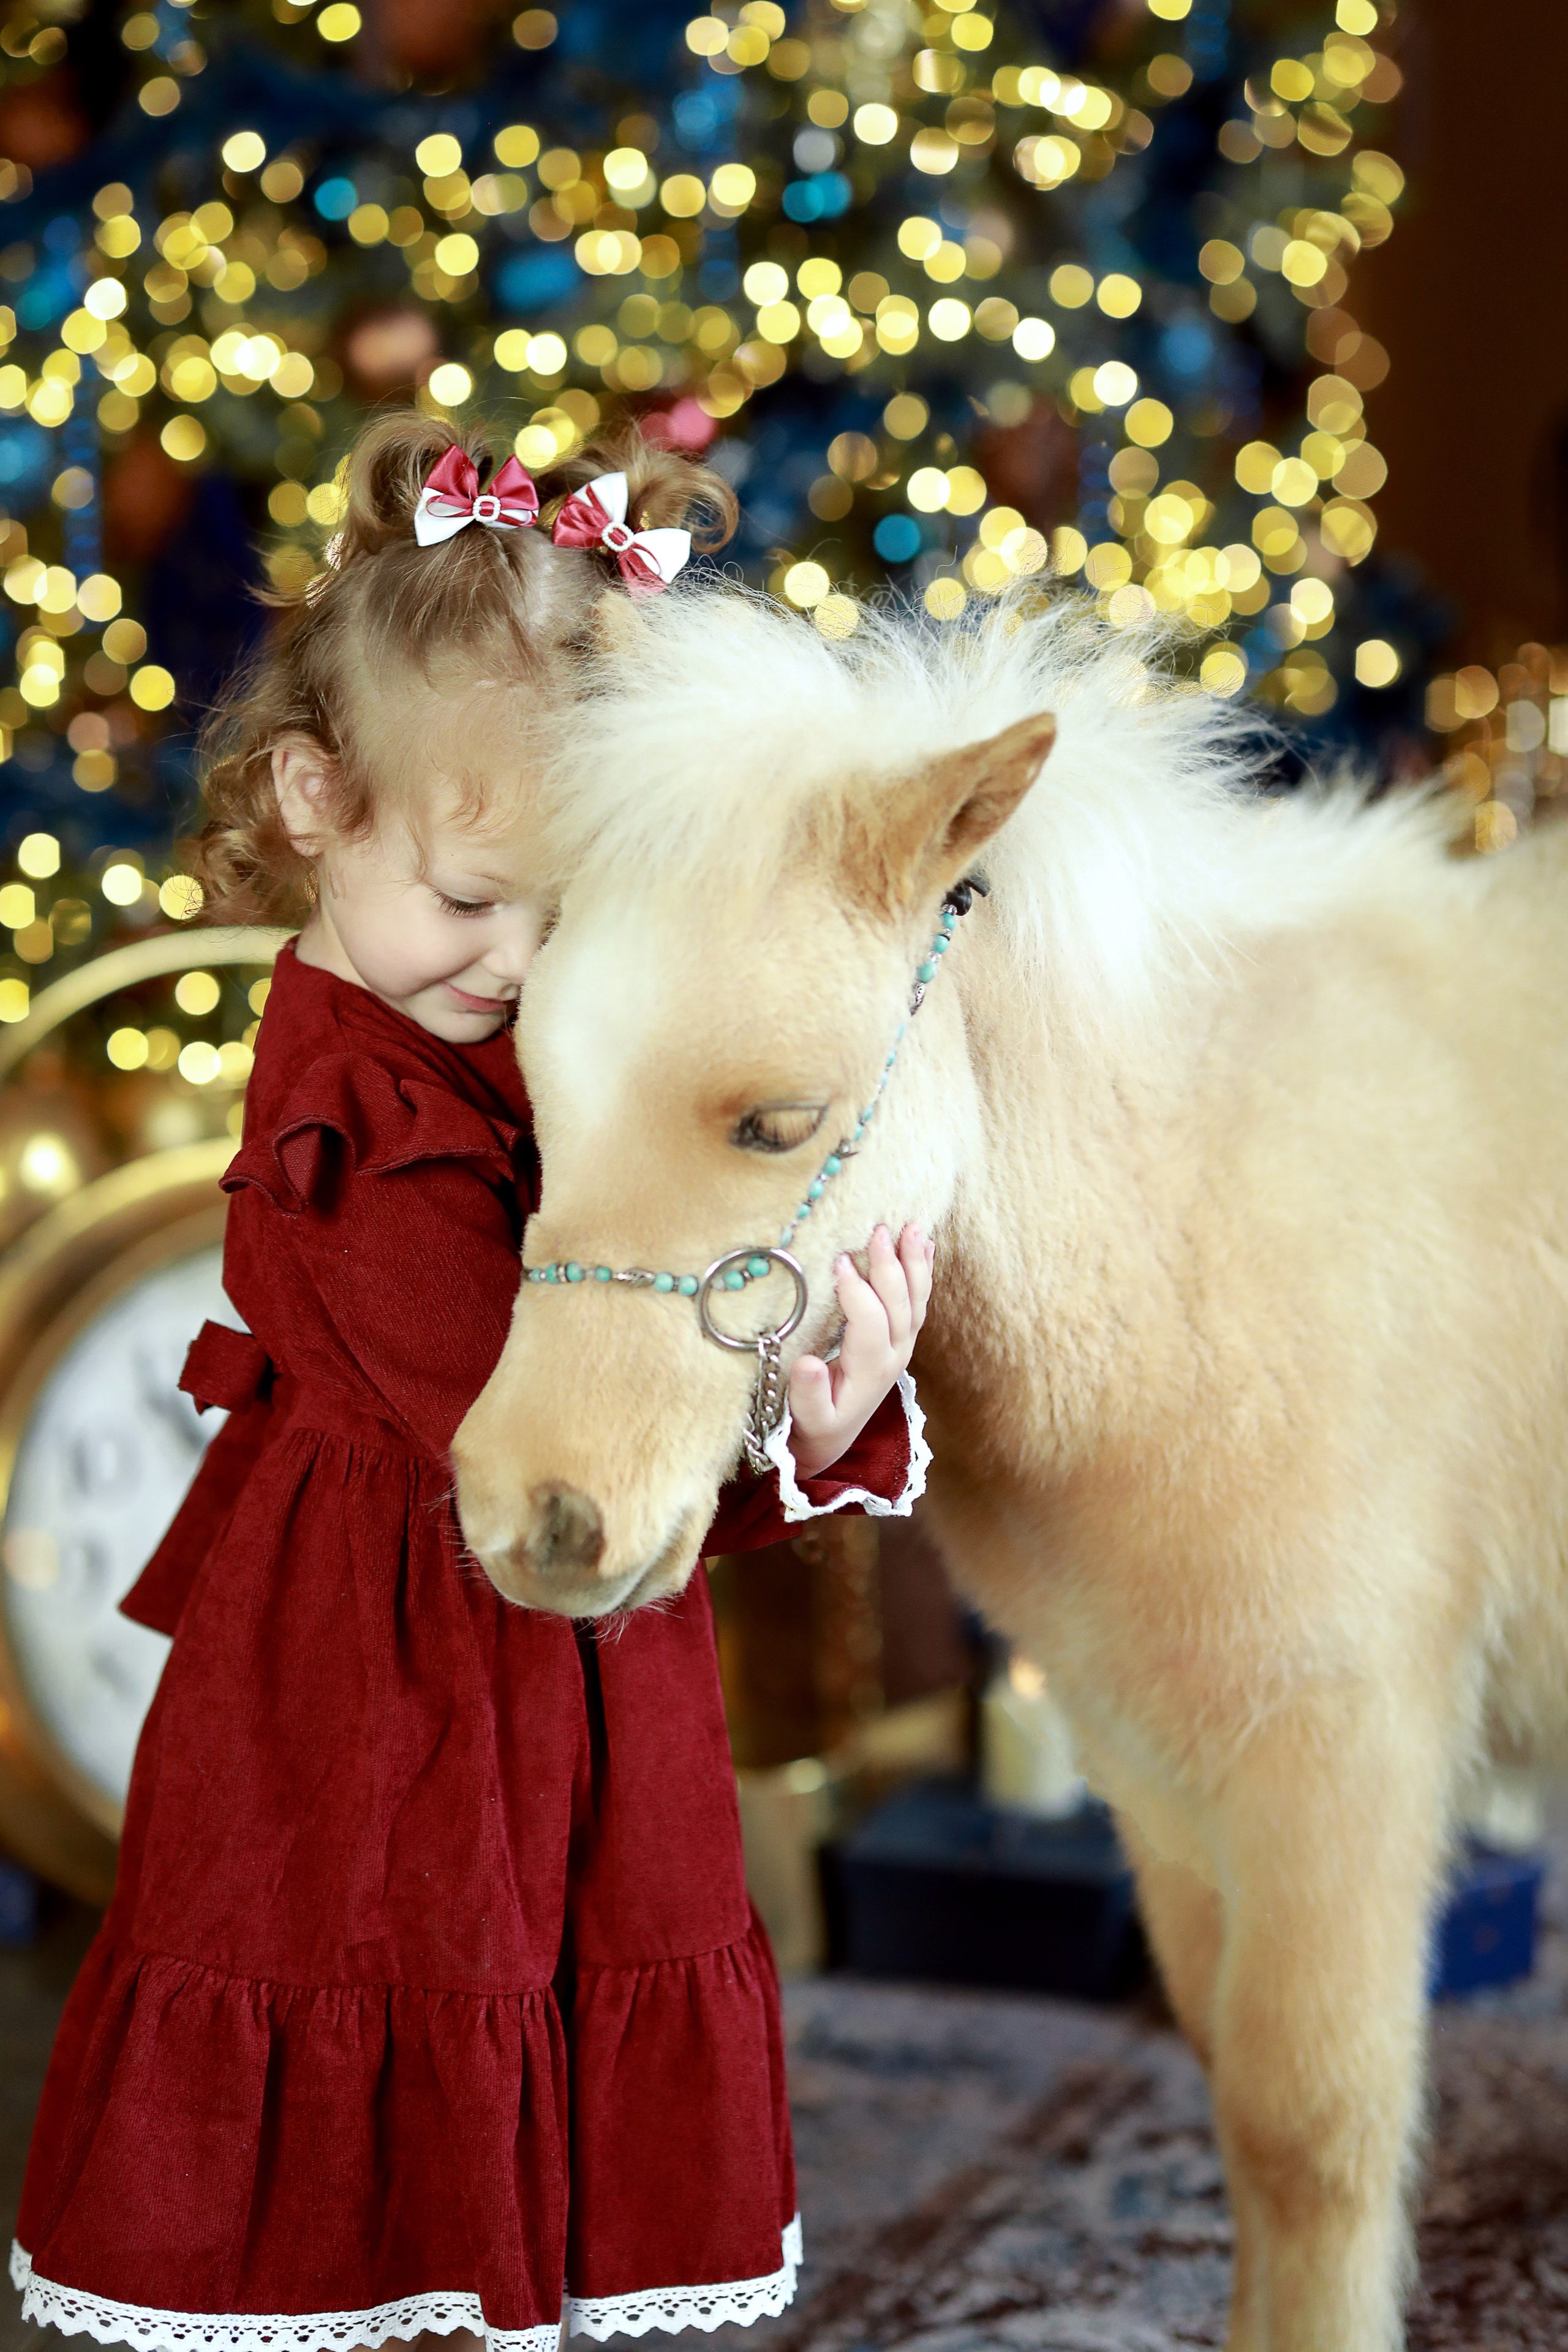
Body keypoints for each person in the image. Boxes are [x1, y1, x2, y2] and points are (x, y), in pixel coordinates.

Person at [11, 412, 932, 2352]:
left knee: (561, 1982)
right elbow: (532, 1397)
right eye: (468, 898)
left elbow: (642, 1371)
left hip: (556, 1656)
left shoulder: (527, 1058)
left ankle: (520, 2284)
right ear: (316, 802)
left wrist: (815, 1409)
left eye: (566, 911)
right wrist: (772, 1400)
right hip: (387, 1685)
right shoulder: (355, 1104)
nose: (512, 965)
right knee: (406, 1995)